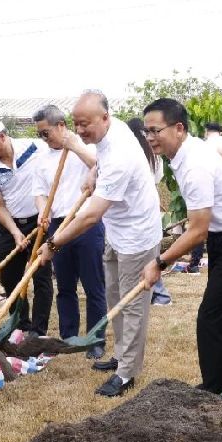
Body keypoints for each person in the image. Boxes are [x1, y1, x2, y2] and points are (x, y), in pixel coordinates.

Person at [38, 90, 162, 397]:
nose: (79, 131)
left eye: (85, 124)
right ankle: (120, 354)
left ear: (104, 118)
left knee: (132, 305)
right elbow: (101, 159)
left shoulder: (119, 152)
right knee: (114, 296)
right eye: (76, 124)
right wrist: (95, 171)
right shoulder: (112, 130)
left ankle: (127, 373)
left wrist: (53, 244)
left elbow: (90, 216)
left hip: (138, 236)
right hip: (117, 232)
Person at [141, 98, 222, 394]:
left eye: (155, 130)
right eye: (146, 132)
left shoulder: (194, 163)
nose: (150, 138)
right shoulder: (185, 155)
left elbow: (197, 232)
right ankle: (221, 384)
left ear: (179, 128)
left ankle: (211, 391)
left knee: (211, 318)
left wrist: (159, 262)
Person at [32, 105, 106, 358]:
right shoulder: (41, 160)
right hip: (58, 225)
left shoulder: (87, 148)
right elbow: (39, 192)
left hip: (86, 222)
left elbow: (100, 166)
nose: (44, 138)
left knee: (94, 286)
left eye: (46, 132)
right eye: (40, 134)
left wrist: (73, 145)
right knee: (65, 286)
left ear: (61, 126)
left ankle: (95, 340)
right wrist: (43, 210)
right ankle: (68, 336)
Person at [0, 118, 54, 336]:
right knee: (10, 277)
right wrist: (15, 232)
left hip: (40, 221)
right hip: (9, 224)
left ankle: (38, 332)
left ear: (2, 137)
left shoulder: (34, 148)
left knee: (41, 277)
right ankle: (20, 326)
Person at [128, 117, 172, 306]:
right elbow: (158, 178)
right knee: (151, 254)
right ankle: (159, 295)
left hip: (136, 209)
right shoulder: (153, 154)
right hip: (150, 205)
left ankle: (158, 295)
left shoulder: (131, 154)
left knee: (141, 257)